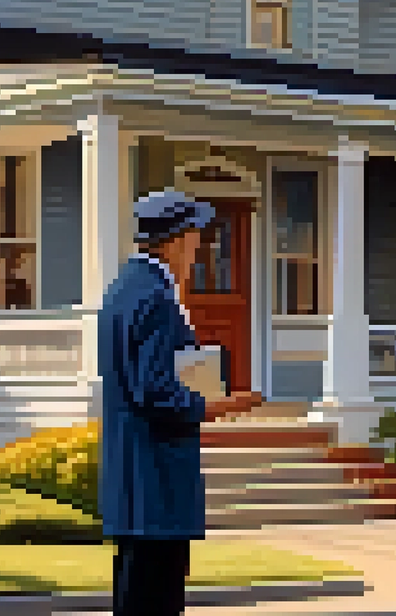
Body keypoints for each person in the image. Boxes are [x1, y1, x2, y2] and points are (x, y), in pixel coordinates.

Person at [99, 188, 264, 616]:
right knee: (156, 596)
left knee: (134, 591)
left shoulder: (123, 290)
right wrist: (224, 406)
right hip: (157, 474)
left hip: (133, 472)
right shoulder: (156, 298)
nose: (199, 246)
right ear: (175, 239)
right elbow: (153, 390)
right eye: (195, 235)